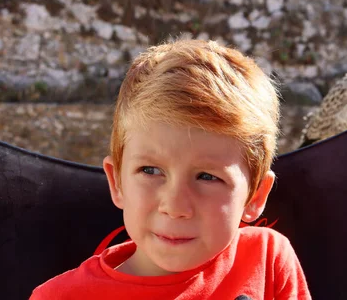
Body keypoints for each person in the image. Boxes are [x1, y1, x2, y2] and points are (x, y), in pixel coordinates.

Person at [30, 39, 311, 299]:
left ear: (254, 197)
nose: (175, 206)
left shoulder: (267, 259)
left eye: (207, 177)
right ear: (117, 183)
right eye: (151, 171)